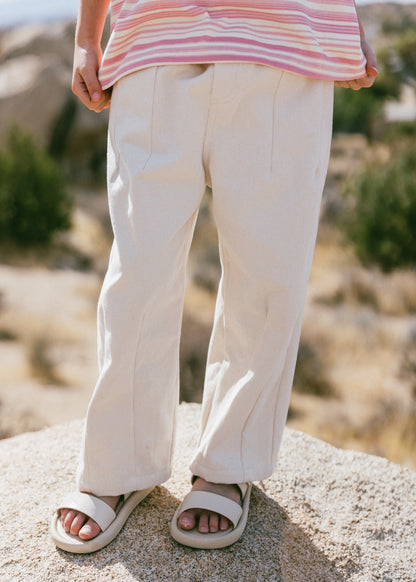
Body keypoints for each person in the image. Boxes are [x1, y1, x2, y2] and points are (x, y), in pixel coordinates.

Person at [50, 0, 377, 553]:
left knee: (268, 273)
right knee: (137, 272)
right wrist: (88, 33)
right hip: (157, 35)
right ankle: (118, 466)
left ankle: (230, 461)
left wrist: (348, 19)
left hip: (286, 39)